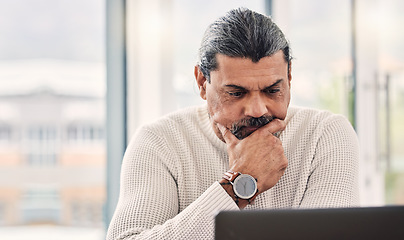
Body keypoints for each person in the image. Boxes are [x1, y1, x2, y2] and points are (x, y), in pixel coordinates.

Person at [106, 7, 359, 240]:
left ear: (289, 76)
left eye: (272, 90)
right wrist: (239, 183)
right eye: (236, 93)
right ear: (202, 82)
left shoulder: (326, 134)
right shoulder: (159, 142)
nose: (257, 109)